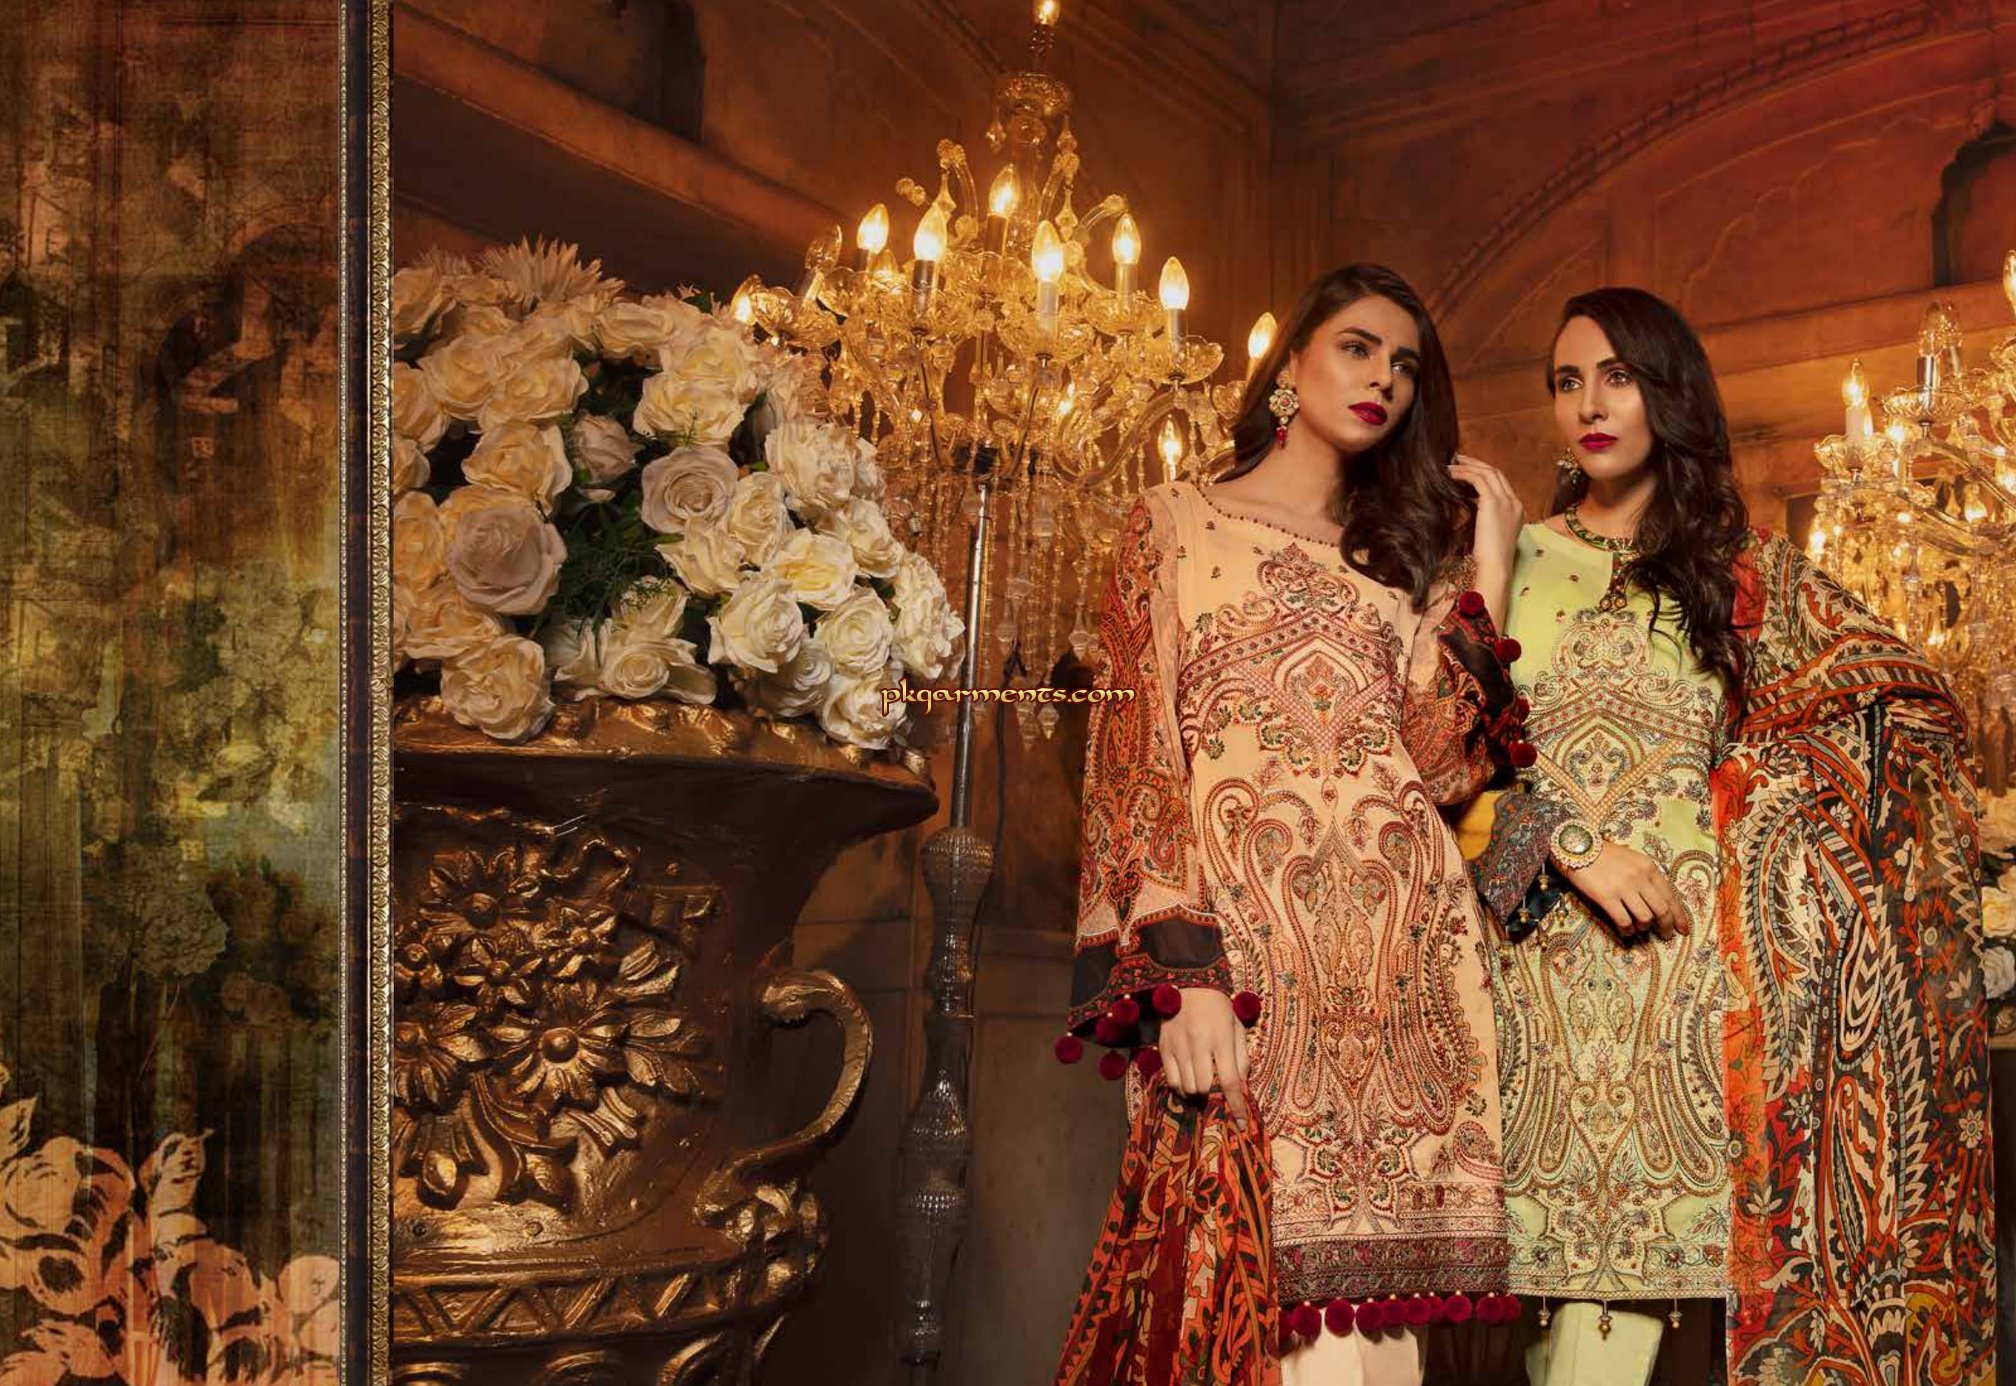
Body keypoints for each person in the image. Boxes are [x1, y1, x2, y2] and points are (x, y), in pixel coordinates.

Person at [1466, 286, 1994, 1385]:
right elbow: (1445, 764)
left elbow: (1903, 710)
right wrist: (1570, 848)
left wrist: (1758, 816)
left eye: (1618, 377)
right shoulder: (1510, 558)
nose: (1589, 406)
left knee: (1645, 1318)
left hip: (1692, 987)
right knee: (1550, 1325)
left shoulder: (1746, 576)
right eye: (1567, 382)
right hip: (1529, 976)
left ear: (1669, 393)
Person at [1052, 263, 1532, 1386]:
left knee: (1377, 1354)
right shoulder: (1174, 522)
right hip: (1244, 975)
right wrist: (1183, 975)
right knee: (1236, 1318)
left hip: (1402, 980)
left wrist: (1491, 570)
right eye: (1358, 347)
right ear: (1292, 362)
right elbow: (1134, 759)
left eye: (1405, 365)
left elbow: (1443, 768)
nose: (1384, 380)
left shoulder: (1400, 564)